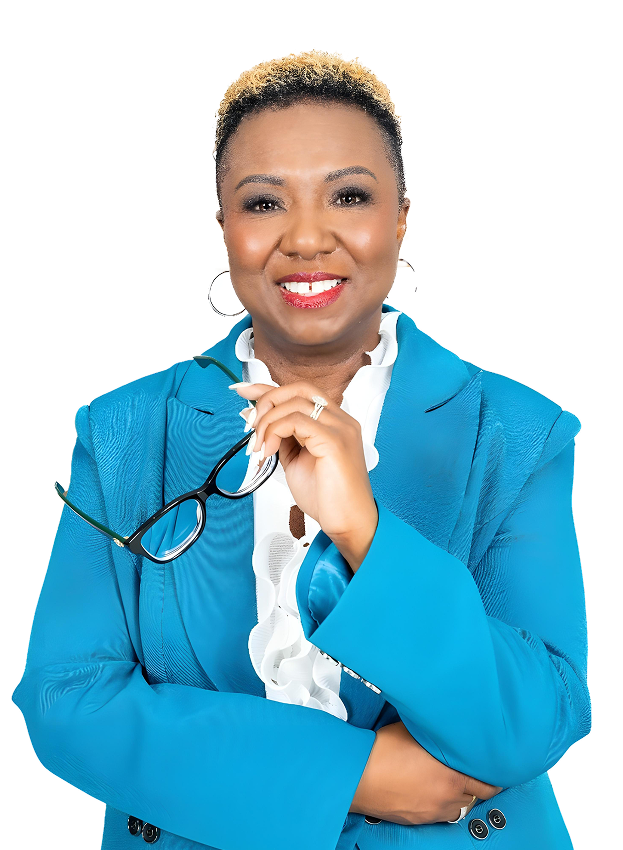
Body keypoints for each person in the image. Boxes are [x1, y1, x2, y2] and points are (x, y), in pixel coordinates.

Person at [11, 48, 590, 850]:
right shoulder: (123, 429)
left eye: (348, 196)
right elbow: (67, 700)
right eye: (263, 203)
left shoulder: (518, 430)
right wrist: (356, 777)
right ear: (224, 223)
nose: (307, 239)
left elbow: (532, 723)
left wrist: (364, 532)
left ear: (404, 216)